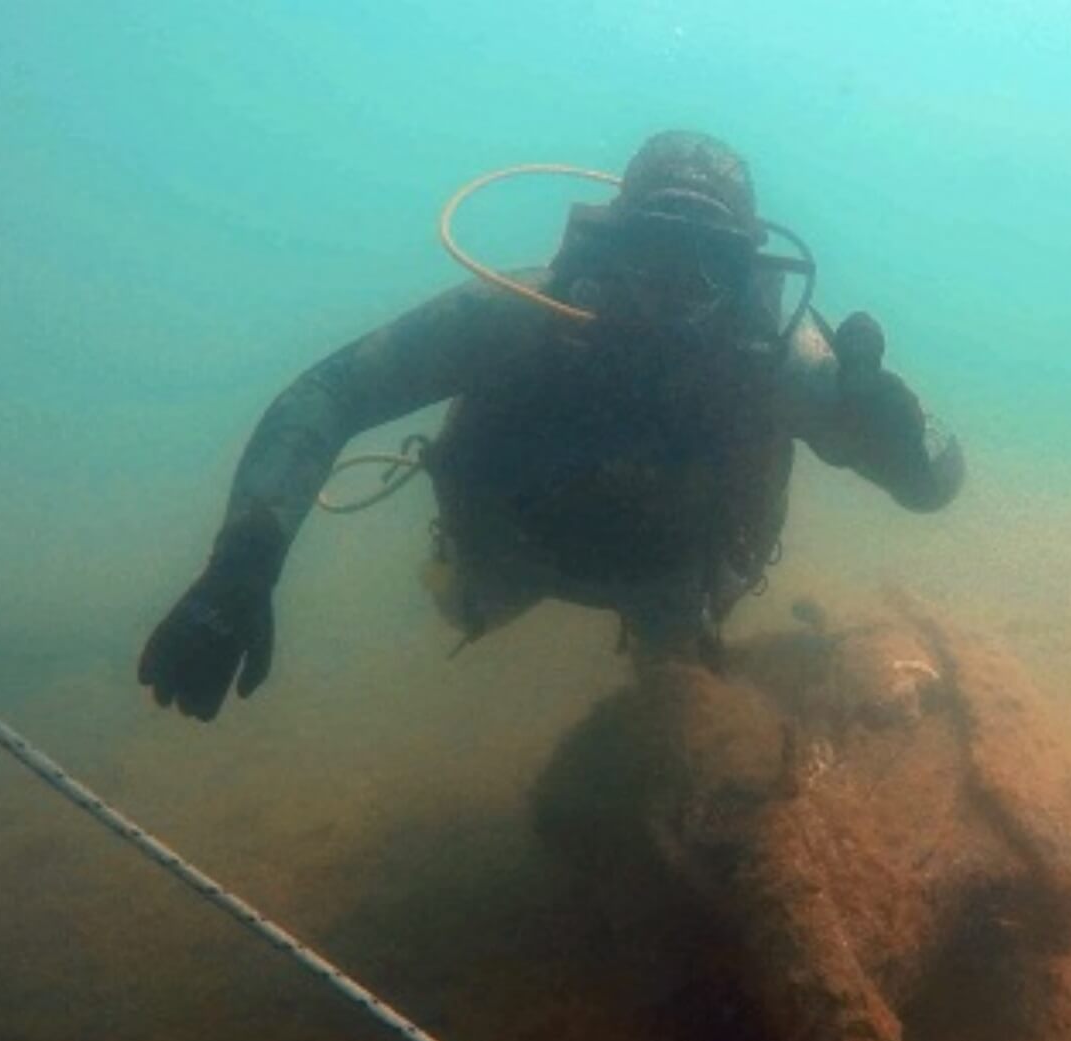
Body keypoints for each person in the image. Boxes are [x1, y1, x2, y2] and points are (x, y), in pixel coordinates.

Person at [139, 131, 965, 721]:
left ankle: (672, 672)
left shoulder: (789, 361)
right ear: (606, 248)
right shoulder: (518, 318)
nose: (667, 294)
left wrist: (897, 443)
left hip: (681, 584)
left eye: (703, 271)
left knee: (679, 705)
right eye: (648, 256)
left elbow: (936, 482)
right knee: (466, 607)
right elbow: (327, 396)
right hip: (506, 557)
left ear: (745, 279)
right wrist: (243, 565)